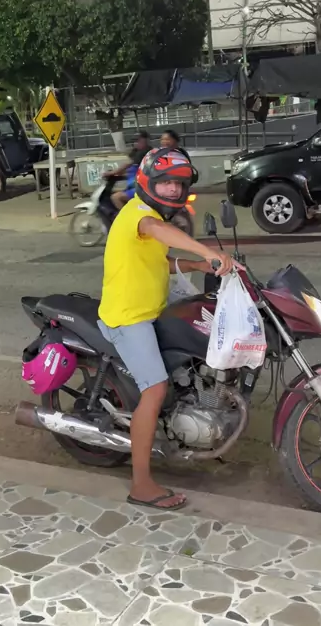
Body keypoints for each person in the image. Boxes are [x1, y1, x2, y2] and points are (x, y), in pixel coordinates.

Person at [98, 147, 234, 511]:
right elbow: (157, 231)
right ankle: (141, 484)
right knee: (155, 389)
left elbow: (161, 259)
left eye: (179, 183)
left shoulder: (152, 216)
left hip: (153, 308)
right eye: (166, 182)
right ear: (148, 182)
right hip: (129, 317)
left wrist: (199, 266)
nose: (173, 189)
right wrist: (207, 253)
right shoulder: (139, 215)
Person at [109, 131, 152, 211]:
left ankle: (125, 216)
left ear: (146, 140)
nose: (136, 143)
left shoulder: (147, 152)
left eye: (139, 140)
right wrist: (119, 174)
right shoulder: (136, 152)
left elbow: (128, 164)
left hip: (141, 189)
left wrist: (112, 172)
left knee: (115, 197)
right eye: (135, 141)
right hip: (133, 186)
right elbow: (132, 169)